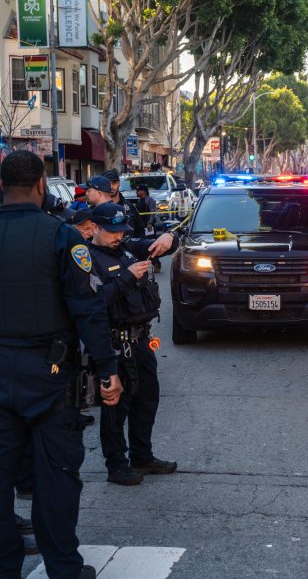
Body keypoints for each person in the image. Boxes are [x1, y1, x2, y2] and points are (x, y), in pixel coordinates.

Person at [0, 150, 122, 579]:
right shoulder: (61, 237)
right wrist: (108, 370)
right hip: (48, 377)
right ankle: (64, 568)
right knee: (56, 478)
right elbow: (88, 311)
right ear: (39, 186)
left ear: (2, 185)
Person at [88, 202, 178, 486]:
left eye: (121, 230)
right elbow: (93, 303)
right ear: (94, 228)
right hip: (113, 343)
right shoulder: (86, 259)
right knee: (116, 407)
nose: (118, 235)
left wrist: (169, 238)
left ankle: (142, 455)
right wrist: (128, 277)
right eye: (112, 231)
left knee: (147, 399)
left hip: (141, 340)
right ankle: (117, 464)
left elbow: (165, 246)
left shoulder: (127, 249)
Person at [104, 169, 146, 238]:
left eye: (114, 183)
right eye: (108, 183)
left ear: (119, 183)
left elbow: (140, 231)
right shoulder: (96, 208)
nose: (111, 187)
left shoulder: (130, 207)